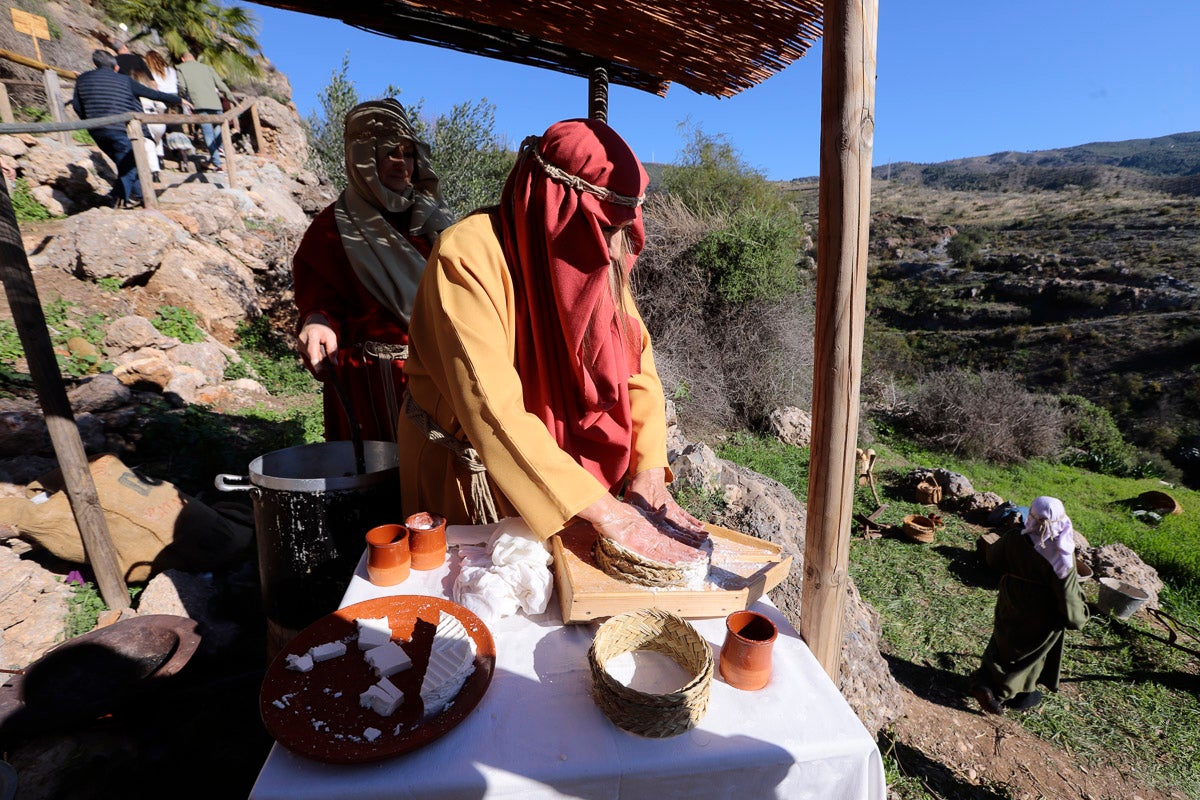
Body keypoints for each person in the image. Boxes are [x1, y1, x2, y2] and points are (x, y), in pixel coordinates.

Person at [397, 118, 706, 566]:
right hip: (470, 480)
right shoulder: (465, 257)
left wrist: (649, 469)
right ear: (556, 210)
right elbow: (491, 409)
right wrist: (608, 514)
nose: (619, 251)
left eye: (627, 229)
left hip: (566, 482)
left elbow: (635, 365)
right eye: (605, 229)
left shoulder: (595, 255)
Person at [293, 99, 454, 442]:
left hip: (440, 377)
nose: (401, 165)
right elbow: (319, 300)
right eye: (388, 154)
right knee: (382, 485)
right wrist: (317, 320)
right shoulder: (332, 228)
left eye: (407, 154)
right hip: (372, 389)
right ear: (361, 159)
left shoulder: (432, 219)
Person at [970, 496, 1090, 714]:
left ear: (1031, 517)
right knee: (1027, 656)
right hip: (1041, 613)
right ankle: (1003, 693)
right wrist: (1078, 617)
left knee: (1003, 638)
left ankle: (984, 680)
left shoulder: (1015, 537)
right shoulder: (1061, 557)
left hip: (1010, 597)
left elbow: (993, 559)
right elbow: (1069, 595)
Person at [70, 49, 183, 207]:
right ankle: (114, 197)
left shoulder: (82, 79)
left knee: (126, 163)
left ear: (95, 65)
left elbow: (77, 106)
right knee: (131, 163)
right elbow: (153, 94)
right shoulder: (124, 80)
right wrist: (179, 100)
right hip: (119, 129)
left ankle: (140, 196)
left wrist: (88, 120)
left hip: (96, 130)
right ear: (115, 67)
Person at [175, 51, 233, 171]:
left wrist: (181, 97)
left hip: (199, 104)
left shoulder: (181, 68)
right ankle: (218, 150)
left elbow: (182, 87)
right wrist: (232, 99)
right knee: (219, 128)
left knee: (207, 133)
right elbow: (220, 84)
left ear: (182, 59)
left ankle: (217, 163)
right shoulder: (207, 68)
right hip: (216, 103)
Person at [130, 69, 165, 183]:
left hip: (145, 119)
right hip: (157, 119)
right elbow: (162, 106)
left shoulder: (134, 91)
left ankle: (154, 171)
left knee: (149, 144)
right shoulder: (151, 91)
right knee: (157, 140)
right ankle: (161, 157)